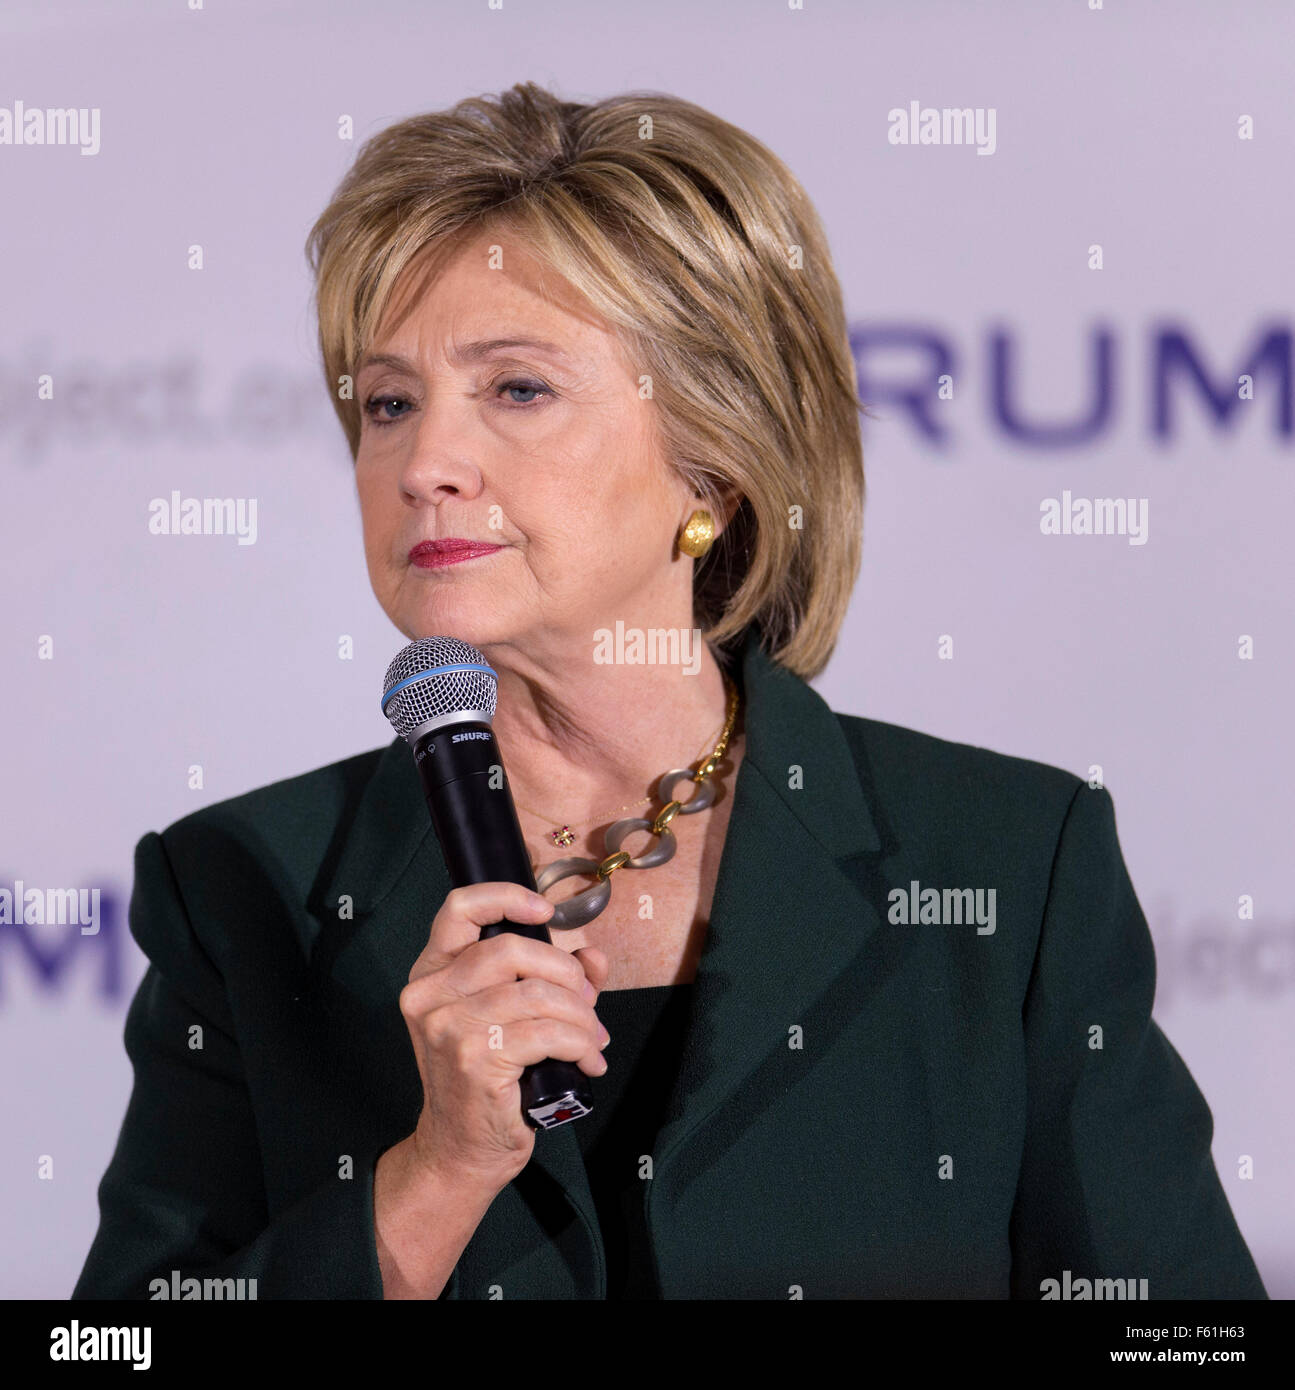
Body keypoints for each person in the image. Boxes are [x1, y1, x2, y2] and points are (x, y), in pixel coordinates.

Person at [72, 82, 1266, 1301]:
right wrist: (431, 1180)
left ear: (714, 462)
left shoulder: (1006, 861)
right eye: (388, 403)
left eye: (517, 389)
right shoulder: (242, 887)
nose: (423, 464)